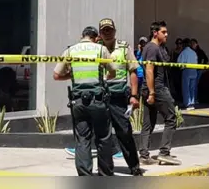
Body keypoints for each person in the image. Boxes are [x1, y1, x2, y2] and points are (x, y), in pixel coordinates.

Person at [53, 26, 117, 176]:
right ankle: (106, 175)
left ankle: (85, 177)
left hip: (78, 102)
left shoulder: (70, 51)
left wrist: (72, 75)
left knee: (82, 140)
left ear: (81, 36)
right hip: (98, 101)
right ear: (96, 38)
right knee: (103, 138)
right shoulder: (100, 50)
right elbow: (113, 72)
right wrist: (103, 78)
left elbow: (56, 75)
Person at [97, 19, 144, 176]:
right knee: (103, 136)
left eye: (110, 30)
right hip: (100, 97)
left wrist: (134, 95)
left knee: (124, 132)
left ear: (115, 31)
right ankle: (105, 170)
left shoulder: (124, 47)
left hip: (118, 97)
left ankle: (134, 166)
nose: (107, 33)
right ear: (100, 33)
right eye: (104, 30)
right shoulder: (96, 49)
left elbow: (133, 71)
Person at [138, 21, 179, 166]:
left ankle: (144, 155)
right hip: (157, 89)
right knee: (171, 118)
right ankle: (164, 153)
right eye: (164, 32)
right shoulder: (152, 48)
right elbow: (149, 70)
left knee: (148, 123)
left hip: (154, 89)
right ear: (155, 33)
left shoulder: (159, 48)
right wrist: (152, 93)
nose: (167, 34)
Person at [177, 38, 198, 110]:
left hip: (186, 70)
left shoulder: (183, 52)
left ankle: (187, 103)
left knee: (186, 88)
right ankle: (192, 102)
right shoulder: (194, 52)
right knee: (192, 88)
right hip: (194, 70)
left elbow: (179, 62)